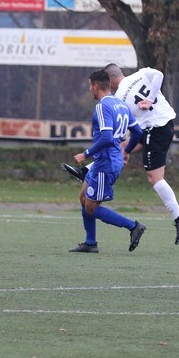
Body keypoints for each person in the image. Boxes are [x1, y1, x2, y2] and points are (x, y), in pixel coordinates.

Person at [62, 64, 179, 245]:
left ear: (108, 81)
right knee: (122, 146)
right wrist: (150, 99)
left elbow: (110, 136)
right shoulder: (141, 74)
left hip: (155, 129)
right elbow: (159, 74)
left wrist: (87, 153)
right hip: (163, 123)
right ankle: (86, 171)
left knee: (155, 178)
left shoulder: (118, 98)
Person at [68, 69, 146, 253]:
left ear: (95, 85)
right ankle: (90, 243)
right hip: (105, 160)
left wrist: (85, 154)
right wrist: (126, 150)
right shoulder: (121, 104)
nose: (89, 89)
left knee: (91, 208)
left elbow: (106, 138)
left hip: (106, 163)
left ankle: (134, 226)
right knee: (83, 198)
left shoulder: (102, 107)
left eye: (90, 85)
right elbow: (137, 132)